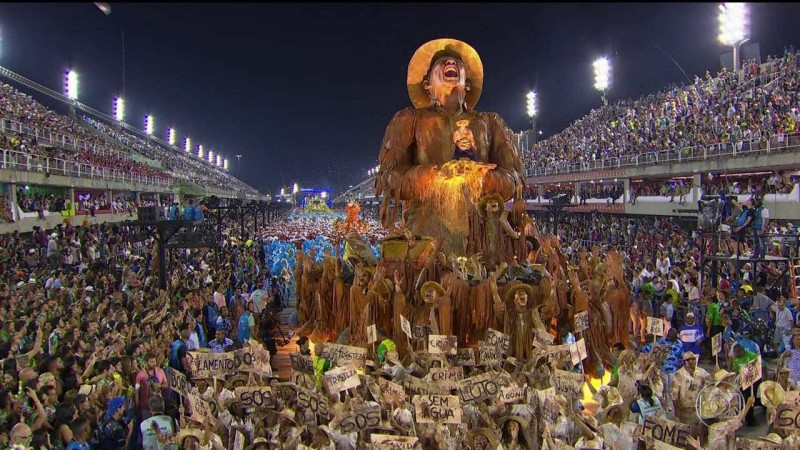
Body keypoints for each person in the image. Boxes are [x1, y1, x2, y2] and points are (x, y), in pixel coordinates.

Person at [671, 352, 710, 424]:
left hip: (698, 407)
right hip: (685, 409)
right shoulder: (679, 374)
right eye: (689, 360)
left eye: (694, 359)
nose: (693, 361)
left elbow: (710, 382)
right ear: (686, 362)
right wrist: (677, 410)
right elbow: (674, 395)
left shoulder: (701, 372)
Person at [134, 353, 168, 421]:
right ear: (146, 362)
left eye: (154, 361)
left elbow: (166, 384)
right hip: (146, 407)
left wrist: (160, 386)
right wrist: (137, 404)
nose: (154, 363)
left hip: (159, 406)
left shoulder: (160, 371)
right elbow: (136, 390)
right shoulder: (140, 375)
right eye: (151, 362)